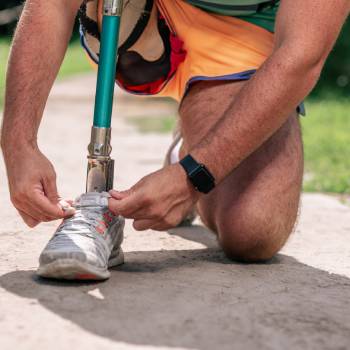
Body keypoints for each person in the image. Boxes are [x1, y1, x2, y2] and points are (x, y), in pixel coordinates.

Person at [1, 0, 349, 280]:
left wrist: (191, 176)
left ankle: (185, 151)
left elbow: (302, 53)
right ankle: (97, 202)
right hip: (152, 15)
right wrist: (18, 143)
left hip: (249, 27)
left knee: (252, 230)